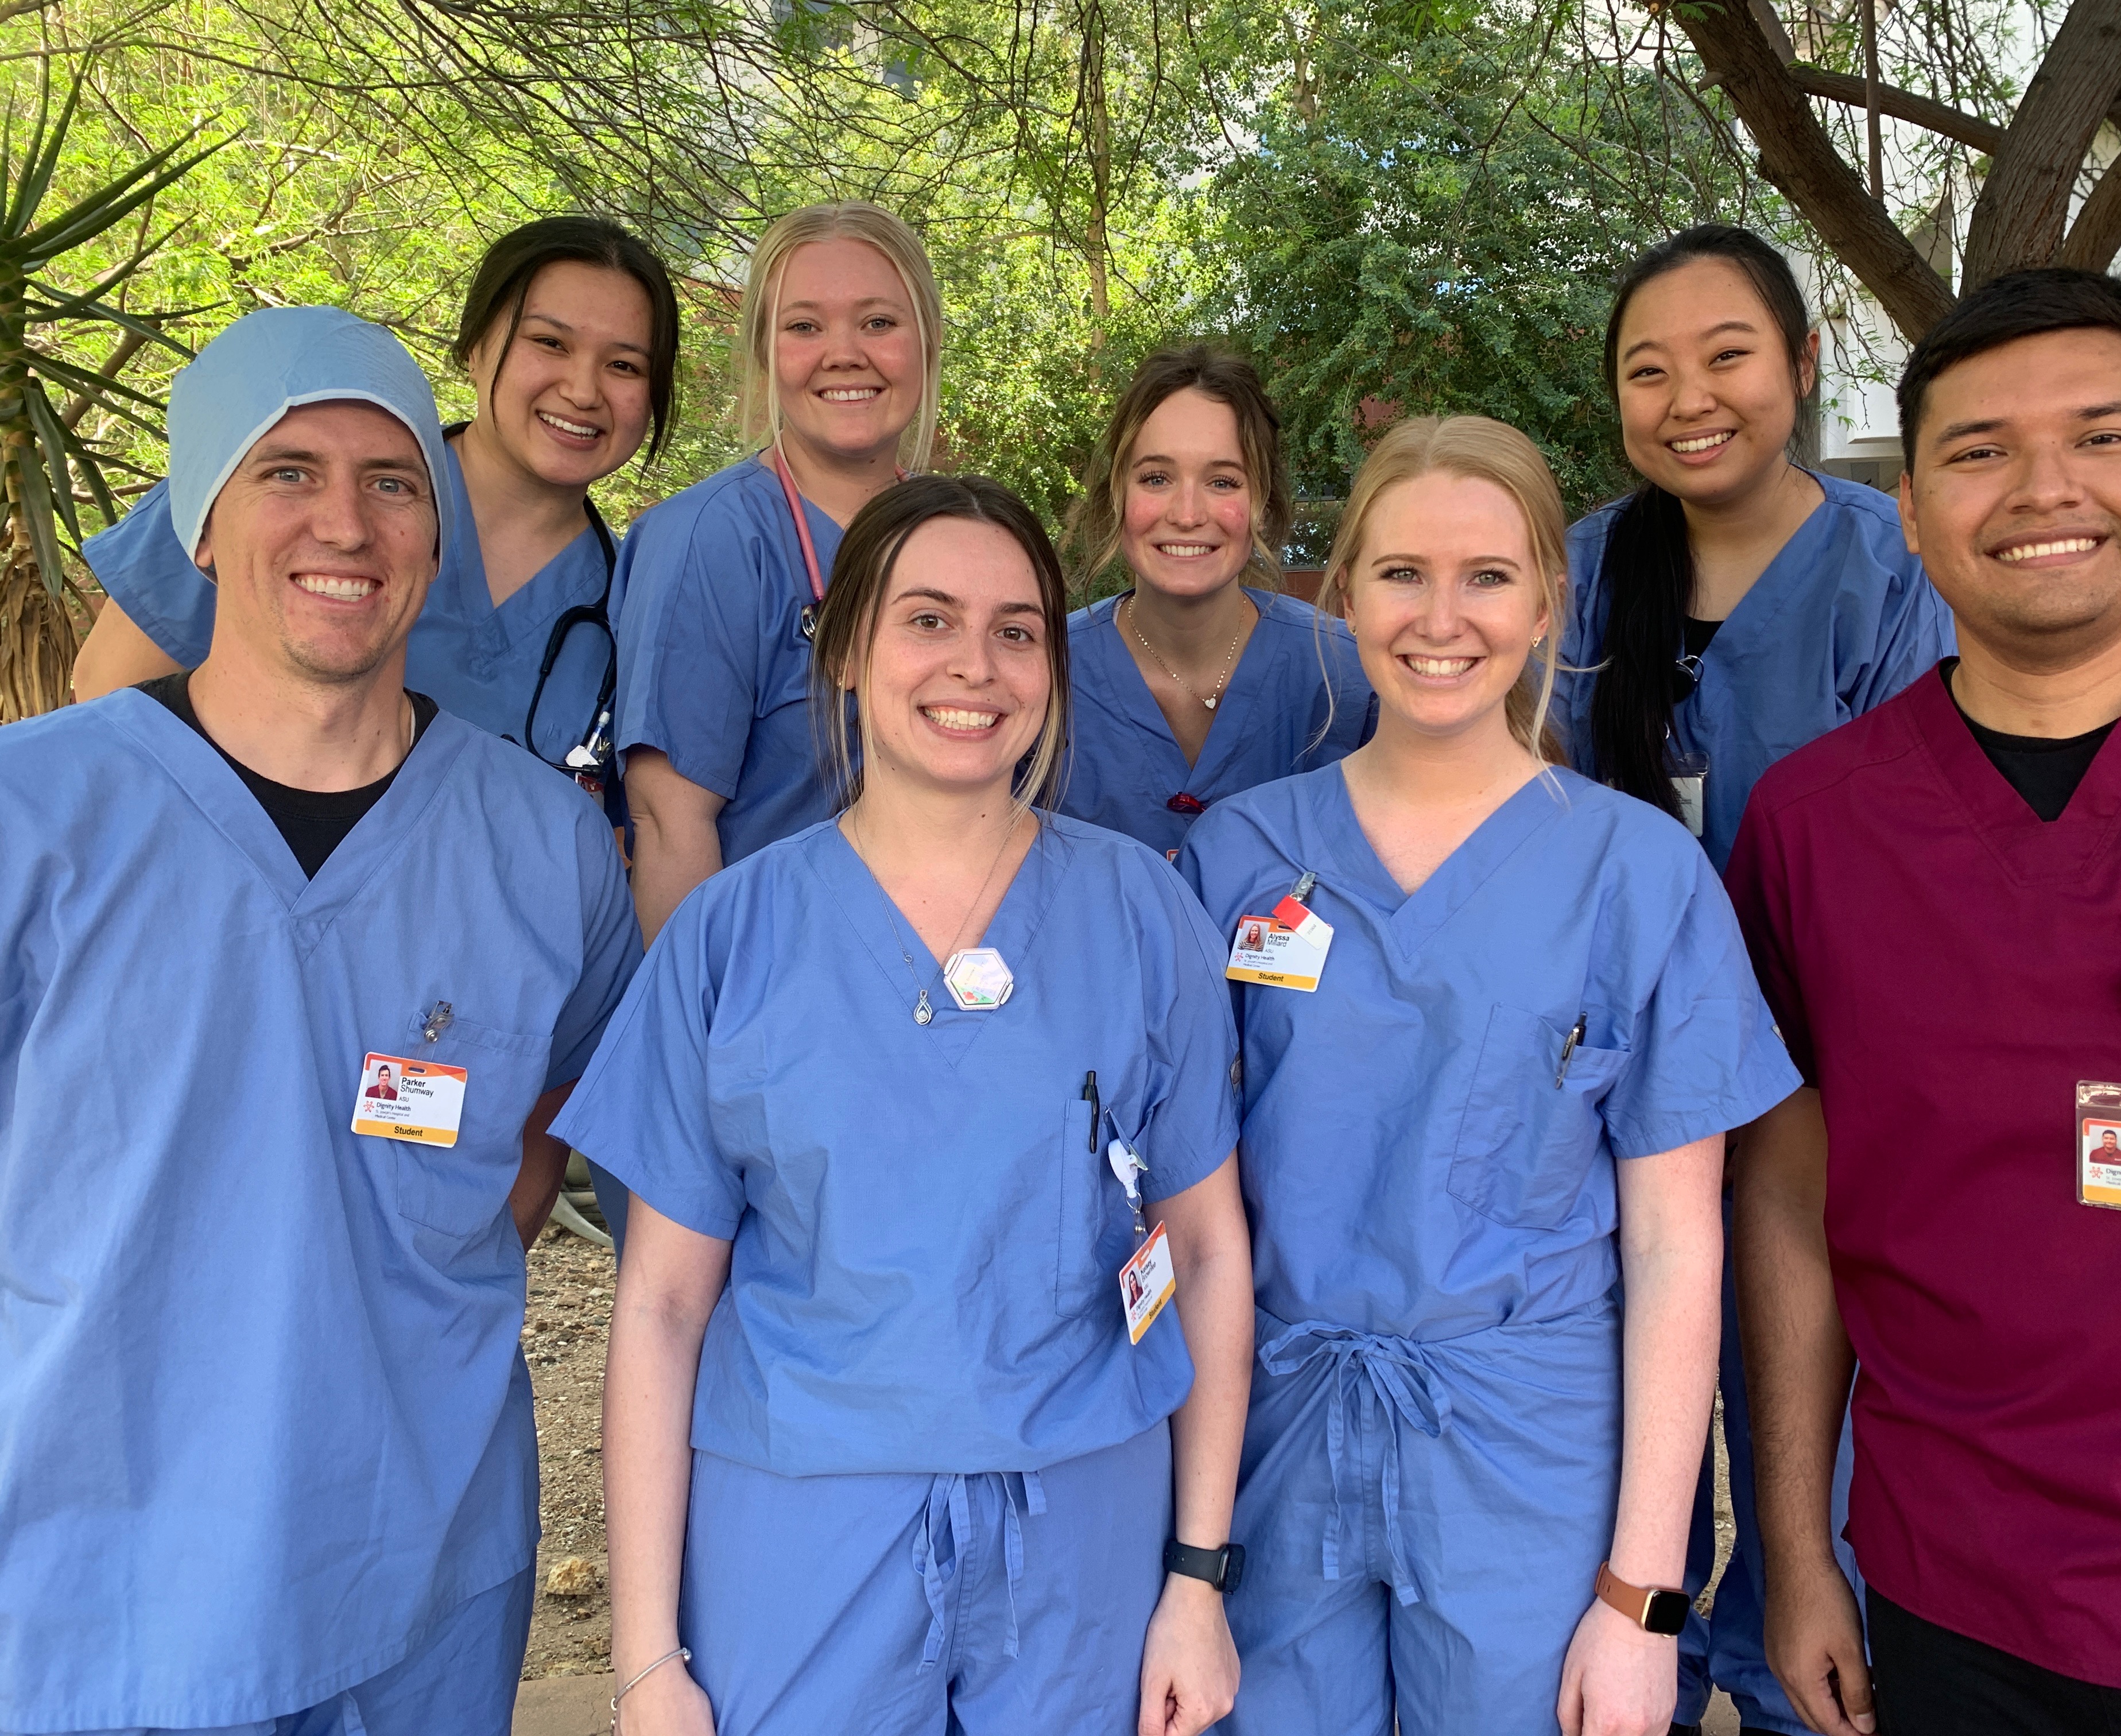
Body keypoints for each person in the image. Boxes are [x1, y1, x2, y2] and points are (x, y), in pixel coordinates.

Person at [0, 307, 641, 1735]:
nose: (345, 521)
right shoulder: (35, 813)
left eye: (395, 480)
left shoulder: (543, 846)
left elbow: (554, 1130)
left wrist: (388, 1262)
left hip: (418, 1578)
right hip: (99, 1582)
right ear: (201, 525)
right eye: (287, 471)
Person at [553, 474, 1256, 1735]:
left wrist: (1196, 1580)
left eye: (1016, 630)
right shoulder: (733, 935)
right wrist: (648, 1658)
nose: (973, 667)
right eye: (926, 620)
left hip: (1083, 1526)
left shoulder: (1143, 916)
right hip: (803, 1528)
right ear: (842, 653)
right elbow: (661, 1306)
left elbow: (1204, 1250)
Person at [1727, 267, 2121, 1735]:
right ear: (1910, 509)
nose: (2042, 488)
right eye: (1979, 451)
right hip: (1964, 1600)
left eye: (2102, 436)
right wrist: (1798, 1557)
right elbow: (1792, 1203)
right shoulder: (1817, 827)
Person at [1176, 414, 1800, 1735]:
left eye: (1487, 576)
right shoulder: (1238, 859)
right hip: (1275, 1434)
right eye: (1401, 573)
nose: (1439, 617)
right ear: (1342, 594)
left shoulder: (1637, 876)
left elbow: (1680, 1249)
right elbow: (1185, 1210)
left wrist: (1639, 1601)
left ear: (1546, 604)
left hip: (1531, 1453)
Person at [1551, 225, 1951, 1736]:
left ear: (1800, 366)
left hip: (1829, 1089)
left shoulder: (1887, 567)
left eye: (1727, 355)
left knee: (1812, 1455)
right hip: (1617, 1102)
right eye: (1648, 371)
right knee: (1623, 1434)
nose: (1689, 397)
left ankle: (1793, 1683)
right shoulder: (1586, 574)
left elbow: (1909, 852)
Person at [72, 215, 680, 785]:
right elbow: (106, 709)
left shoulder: (641, 605)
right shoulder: (260, 488)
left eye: (625, 366)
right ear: (474, 347)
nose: (582, 390)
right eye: (550, 343)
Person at [613, 200, 941, 940]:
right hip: (767, 998)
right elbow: (669, 825)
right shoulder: (709, 541)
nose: (844, 353)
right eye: (804, 326)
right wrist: (700, 1034)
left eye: (879, 322)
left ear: (927, 342)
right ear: (765, 351)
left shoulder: (952, 537)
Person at [1057, 344, 1374, 857]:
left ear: (1264, 506)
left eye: (1222, 481)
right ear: (1117, 495)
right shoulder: (1041, 671)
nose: (1186, 514)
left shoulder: (1345, 674)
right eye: (1156, 478)